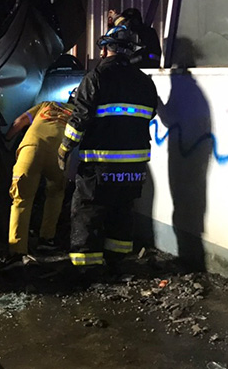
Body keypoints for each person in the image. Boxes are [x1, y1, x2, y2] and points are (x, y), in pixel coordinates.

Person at [58, 25, 158, 271]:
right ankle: (117, 263)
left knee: (88, 211)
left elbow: (80, 118)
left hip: (99, 165)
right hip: (134, 168)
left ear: (104, 50)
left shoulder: (96, 78)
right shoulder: (145, 82)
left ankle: (87, 266)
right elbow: (151, 113)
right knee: (122, 211)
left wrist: (65, 147)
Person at [5, 99, 75, 261]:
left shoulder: (46, 105)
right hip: (59, 153)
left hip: (32, 148)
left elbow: (20, 122)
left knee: (21, 199)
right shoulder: (76, 113)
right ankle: (46, 239)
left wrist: (6, 139)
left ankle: (17, 251)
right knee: (56, 194)